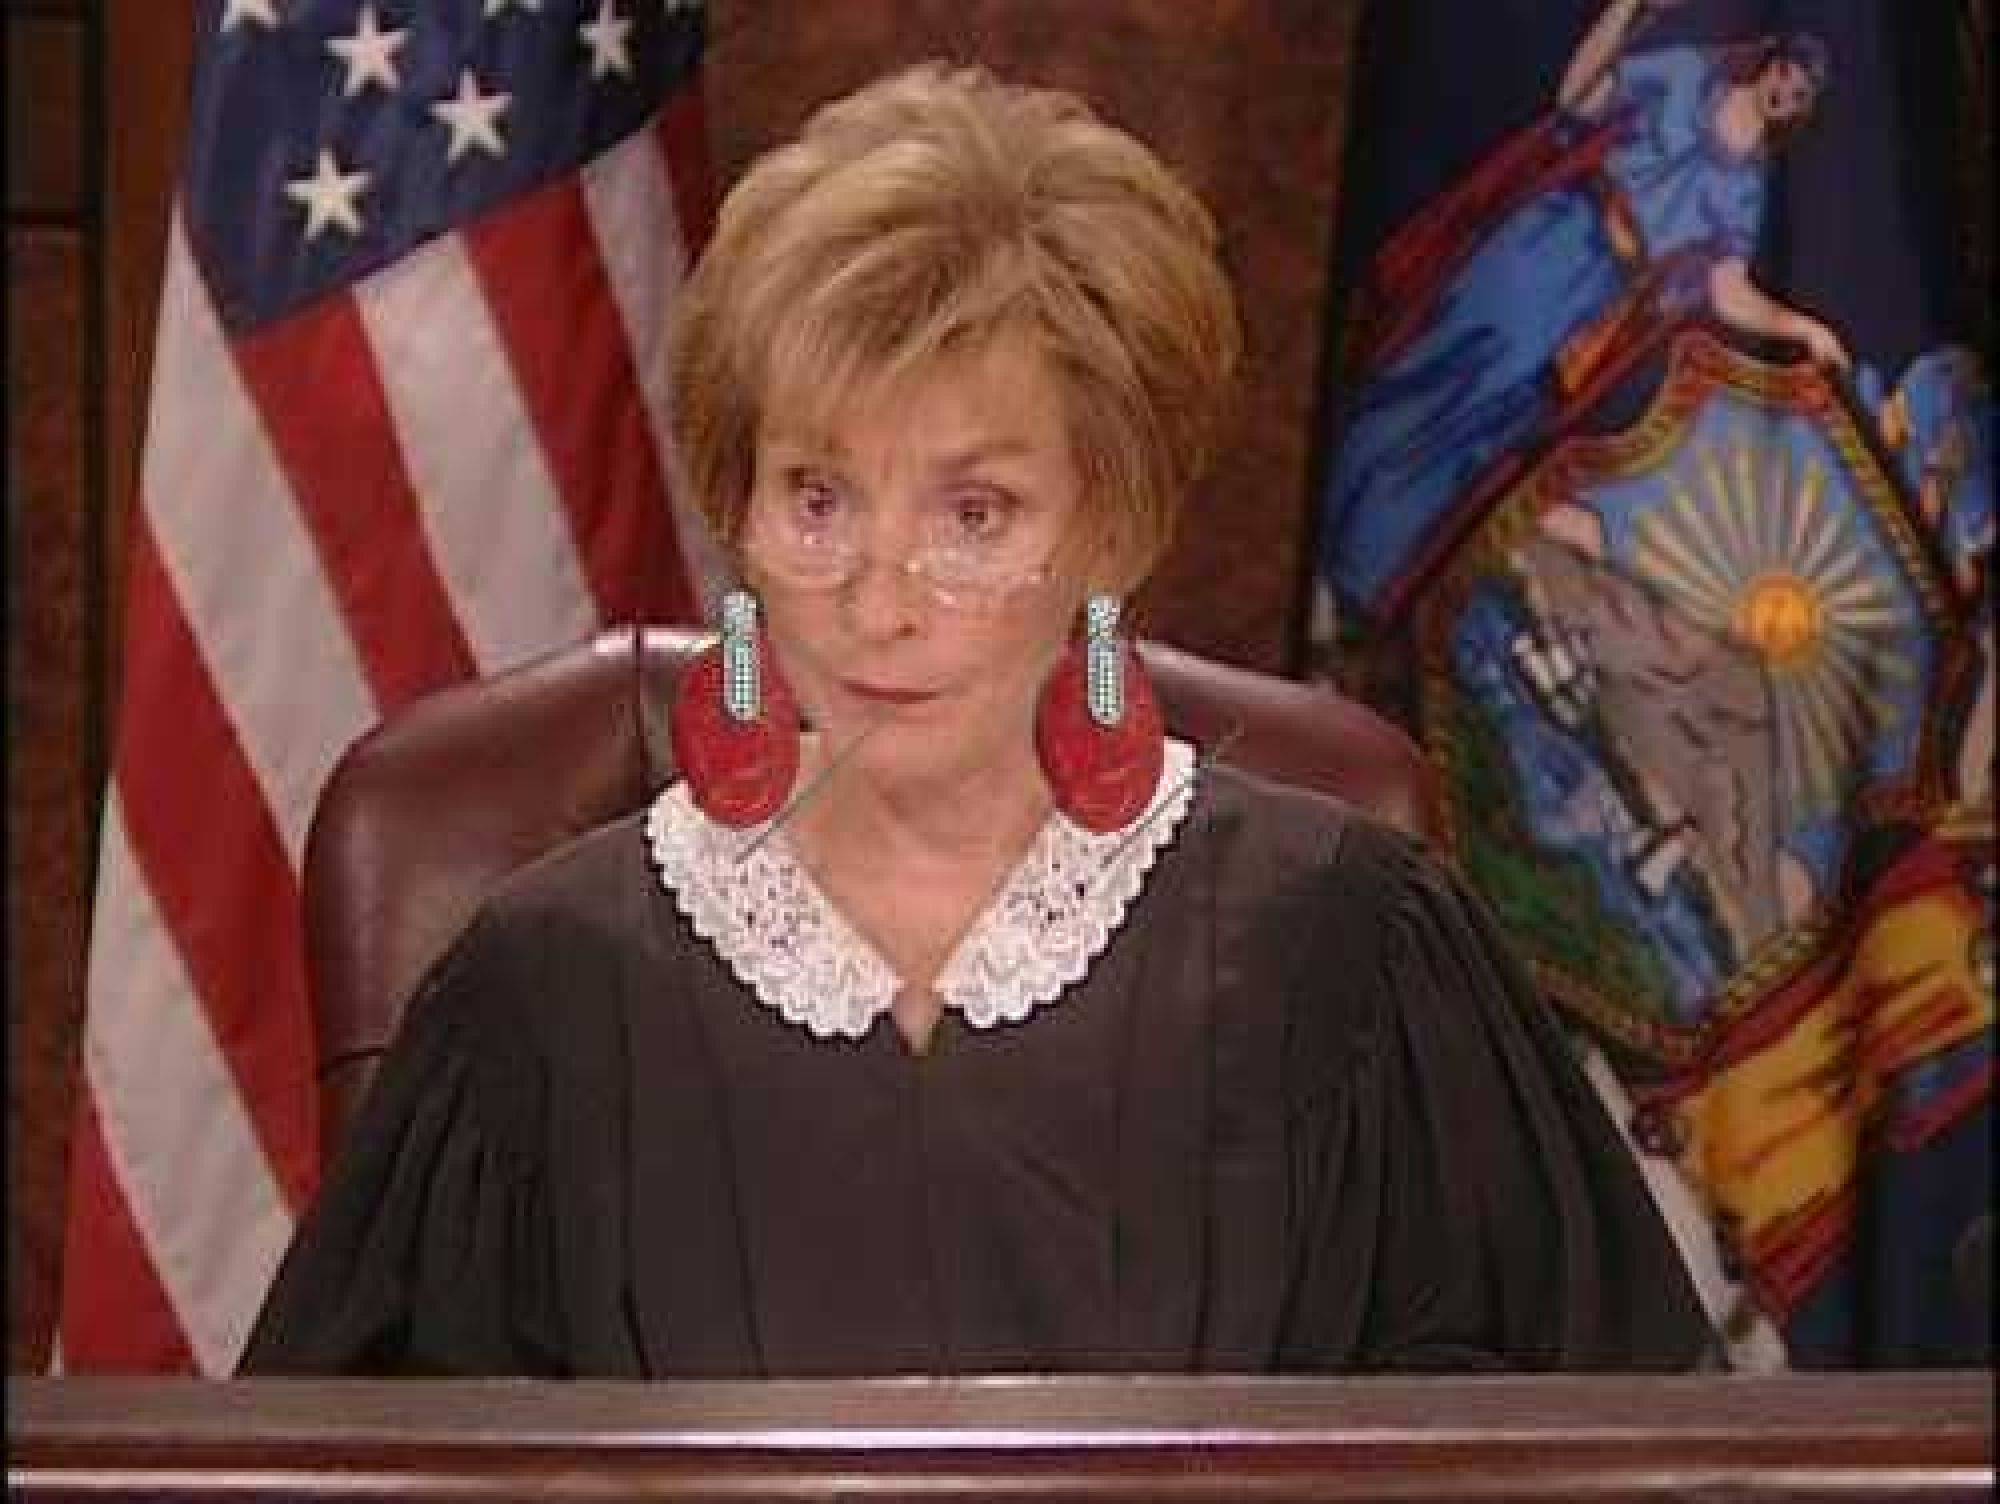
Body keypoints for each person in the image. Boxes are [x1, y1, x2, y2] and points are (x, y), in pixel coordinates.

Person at [240, 62, 1715, 1378]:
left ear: (1109, 530)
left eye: (975, 513)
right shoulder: (545, 992)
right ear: (738, 511)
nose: (880, 600)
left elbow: (1600, 1448)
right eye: (819, 497)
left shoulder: (1351, 955)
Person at [1321, 0, 1845, 614]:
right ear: (1770, 62)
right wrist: (1623, 10)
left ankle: (1364, 569)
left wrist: (1805, 329)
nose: (1786, 93)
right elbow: (1578, 101)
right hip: (1553, 232)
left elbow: (1727, 292)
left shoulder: (1743, 187)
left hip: (1594, 291)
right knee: (1445, 355)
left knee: (1494, 414)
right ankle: (1334, 524)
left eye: (1800, 93)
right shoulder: (1689, 74)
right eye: (1787, 75)